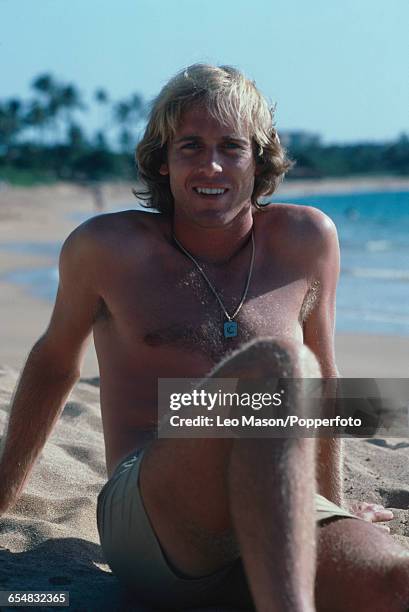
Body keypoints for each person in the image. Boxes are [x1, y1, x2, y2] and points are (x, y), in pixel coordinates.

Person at [0, 64, 408, 612]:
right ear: (161, 162)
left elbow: (327, 380)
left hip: (278, 503)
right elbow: (55, 362)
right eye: (190, 146)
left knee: (394, 583)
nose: (210, 164)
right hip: (154, 510)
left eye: (231, 147)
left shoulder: (307, 240)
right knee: (282, 367)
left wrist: (329, 503)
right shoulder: (107, 248)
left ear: (258, 159)